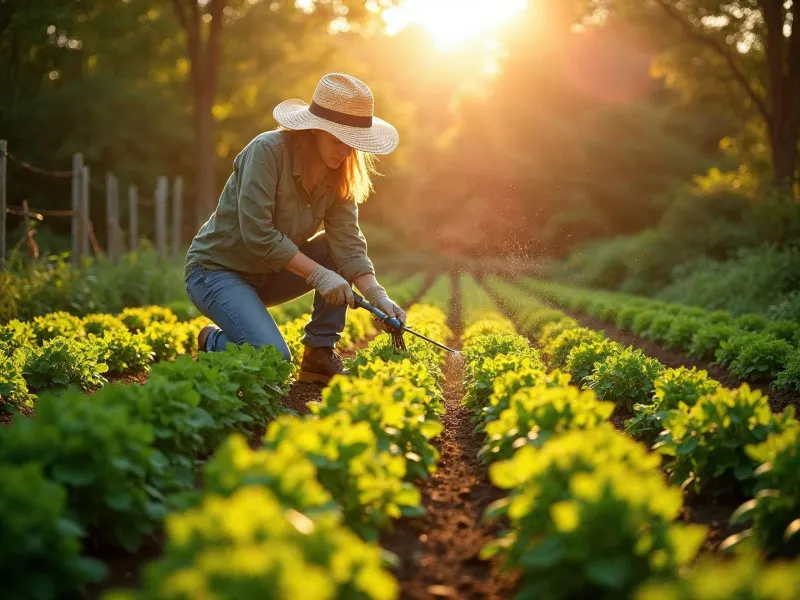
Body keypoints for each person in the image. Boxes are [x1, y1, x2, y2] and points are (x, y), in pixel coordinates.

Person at [184, 73, 406, 384]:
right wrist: (318, 274)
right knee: (274, 358)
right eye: (337, 140)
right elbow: (257, 235)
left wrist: (378, 296)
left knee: (333, 250)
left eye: (351, 144)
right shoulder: (267, 152)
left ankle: (318, 352)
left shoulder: (339, 174)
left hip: (269, 277)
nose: (344, 152)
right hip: (217, 272)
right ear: (315, 129)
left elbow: (347, 243)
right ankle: (212, 341)